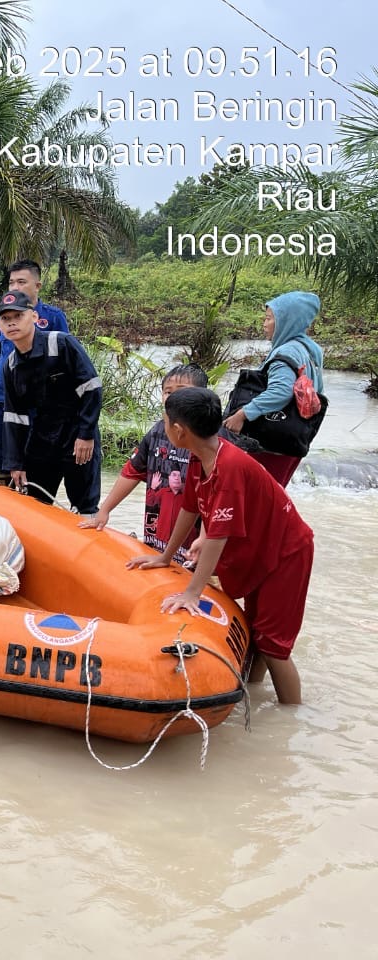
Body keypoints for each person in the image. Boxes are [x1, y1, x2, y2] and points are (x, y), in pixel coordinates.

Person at [128, 387, 313, 703]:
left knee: (274, 646)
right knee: (258, 636)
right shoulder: (202, 458)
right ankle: (253, 698)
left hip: (286, 552)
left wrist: (192, 593)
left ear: (178, 430)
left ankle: (291, 718)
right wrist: (165, 557)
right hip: (260, 547)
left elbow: (216, 538)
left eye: (165, 420)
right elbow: (190, 509)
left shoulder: (229, 467)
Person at [81, 364, 209, 560]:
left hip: (197, 543)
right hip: (157, 536)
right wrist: (104, 510)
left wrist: (204, 538)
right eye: (168, 391)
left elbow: (218, 500)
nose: (172, 397)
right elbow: (131, 472)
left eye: (181, 391)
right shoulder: (157, 432)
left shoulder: (209, 438)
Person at [0, 290, 102, 514]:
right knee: (36, 503)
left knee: (84, 504)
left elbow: (92, 389)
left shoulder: (62, 344)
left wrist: (86, 434)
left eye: (18, 316)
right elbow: (14, 416)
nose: (12, 323)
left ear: (34, 317)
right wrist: (15, 463)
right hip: (41, 438)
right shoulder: (11, 366)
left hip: (76, 434)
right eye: (6, 319)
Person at [222, 291, 325, 487]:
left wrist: (243, 414)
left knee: (255, 499)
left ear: (287, 322)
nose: (264, 323)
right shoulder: (310, 349)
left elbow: (281, 391)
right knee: (273, 497)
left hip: (272, 442)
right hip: (295, 439)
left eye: (269, 318)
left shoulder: (285, 352)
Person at [0, 260, 69, 485]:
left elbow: (65, 359)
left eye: (22, 282)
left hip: (36, 400)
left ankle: (34, 502)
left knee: (34, 454)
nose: (15, 287)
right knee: (4, 456)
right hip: (3, 396)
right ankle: (7, 501)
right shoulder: (1, 318)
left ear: (37, 285)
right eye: (11, 282)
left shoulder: (53, 317)